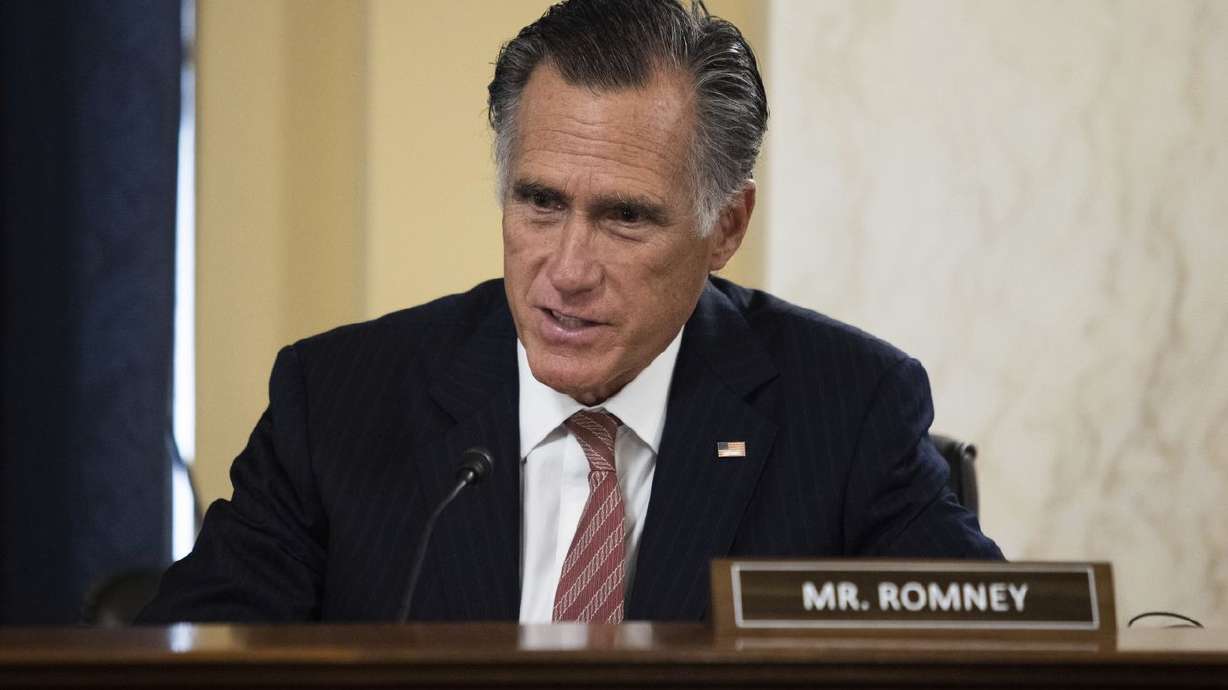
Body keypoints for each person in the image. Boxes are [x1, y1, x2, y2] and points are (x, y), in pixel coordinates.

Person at [139, 0, 1001, 625]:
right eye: (540, 203)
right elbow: (195, 651)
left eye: (625, 216)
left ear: (725, 227)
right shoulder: (337, 402)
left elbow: (995, 655)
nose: (568, 269)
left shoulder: (846, 410)